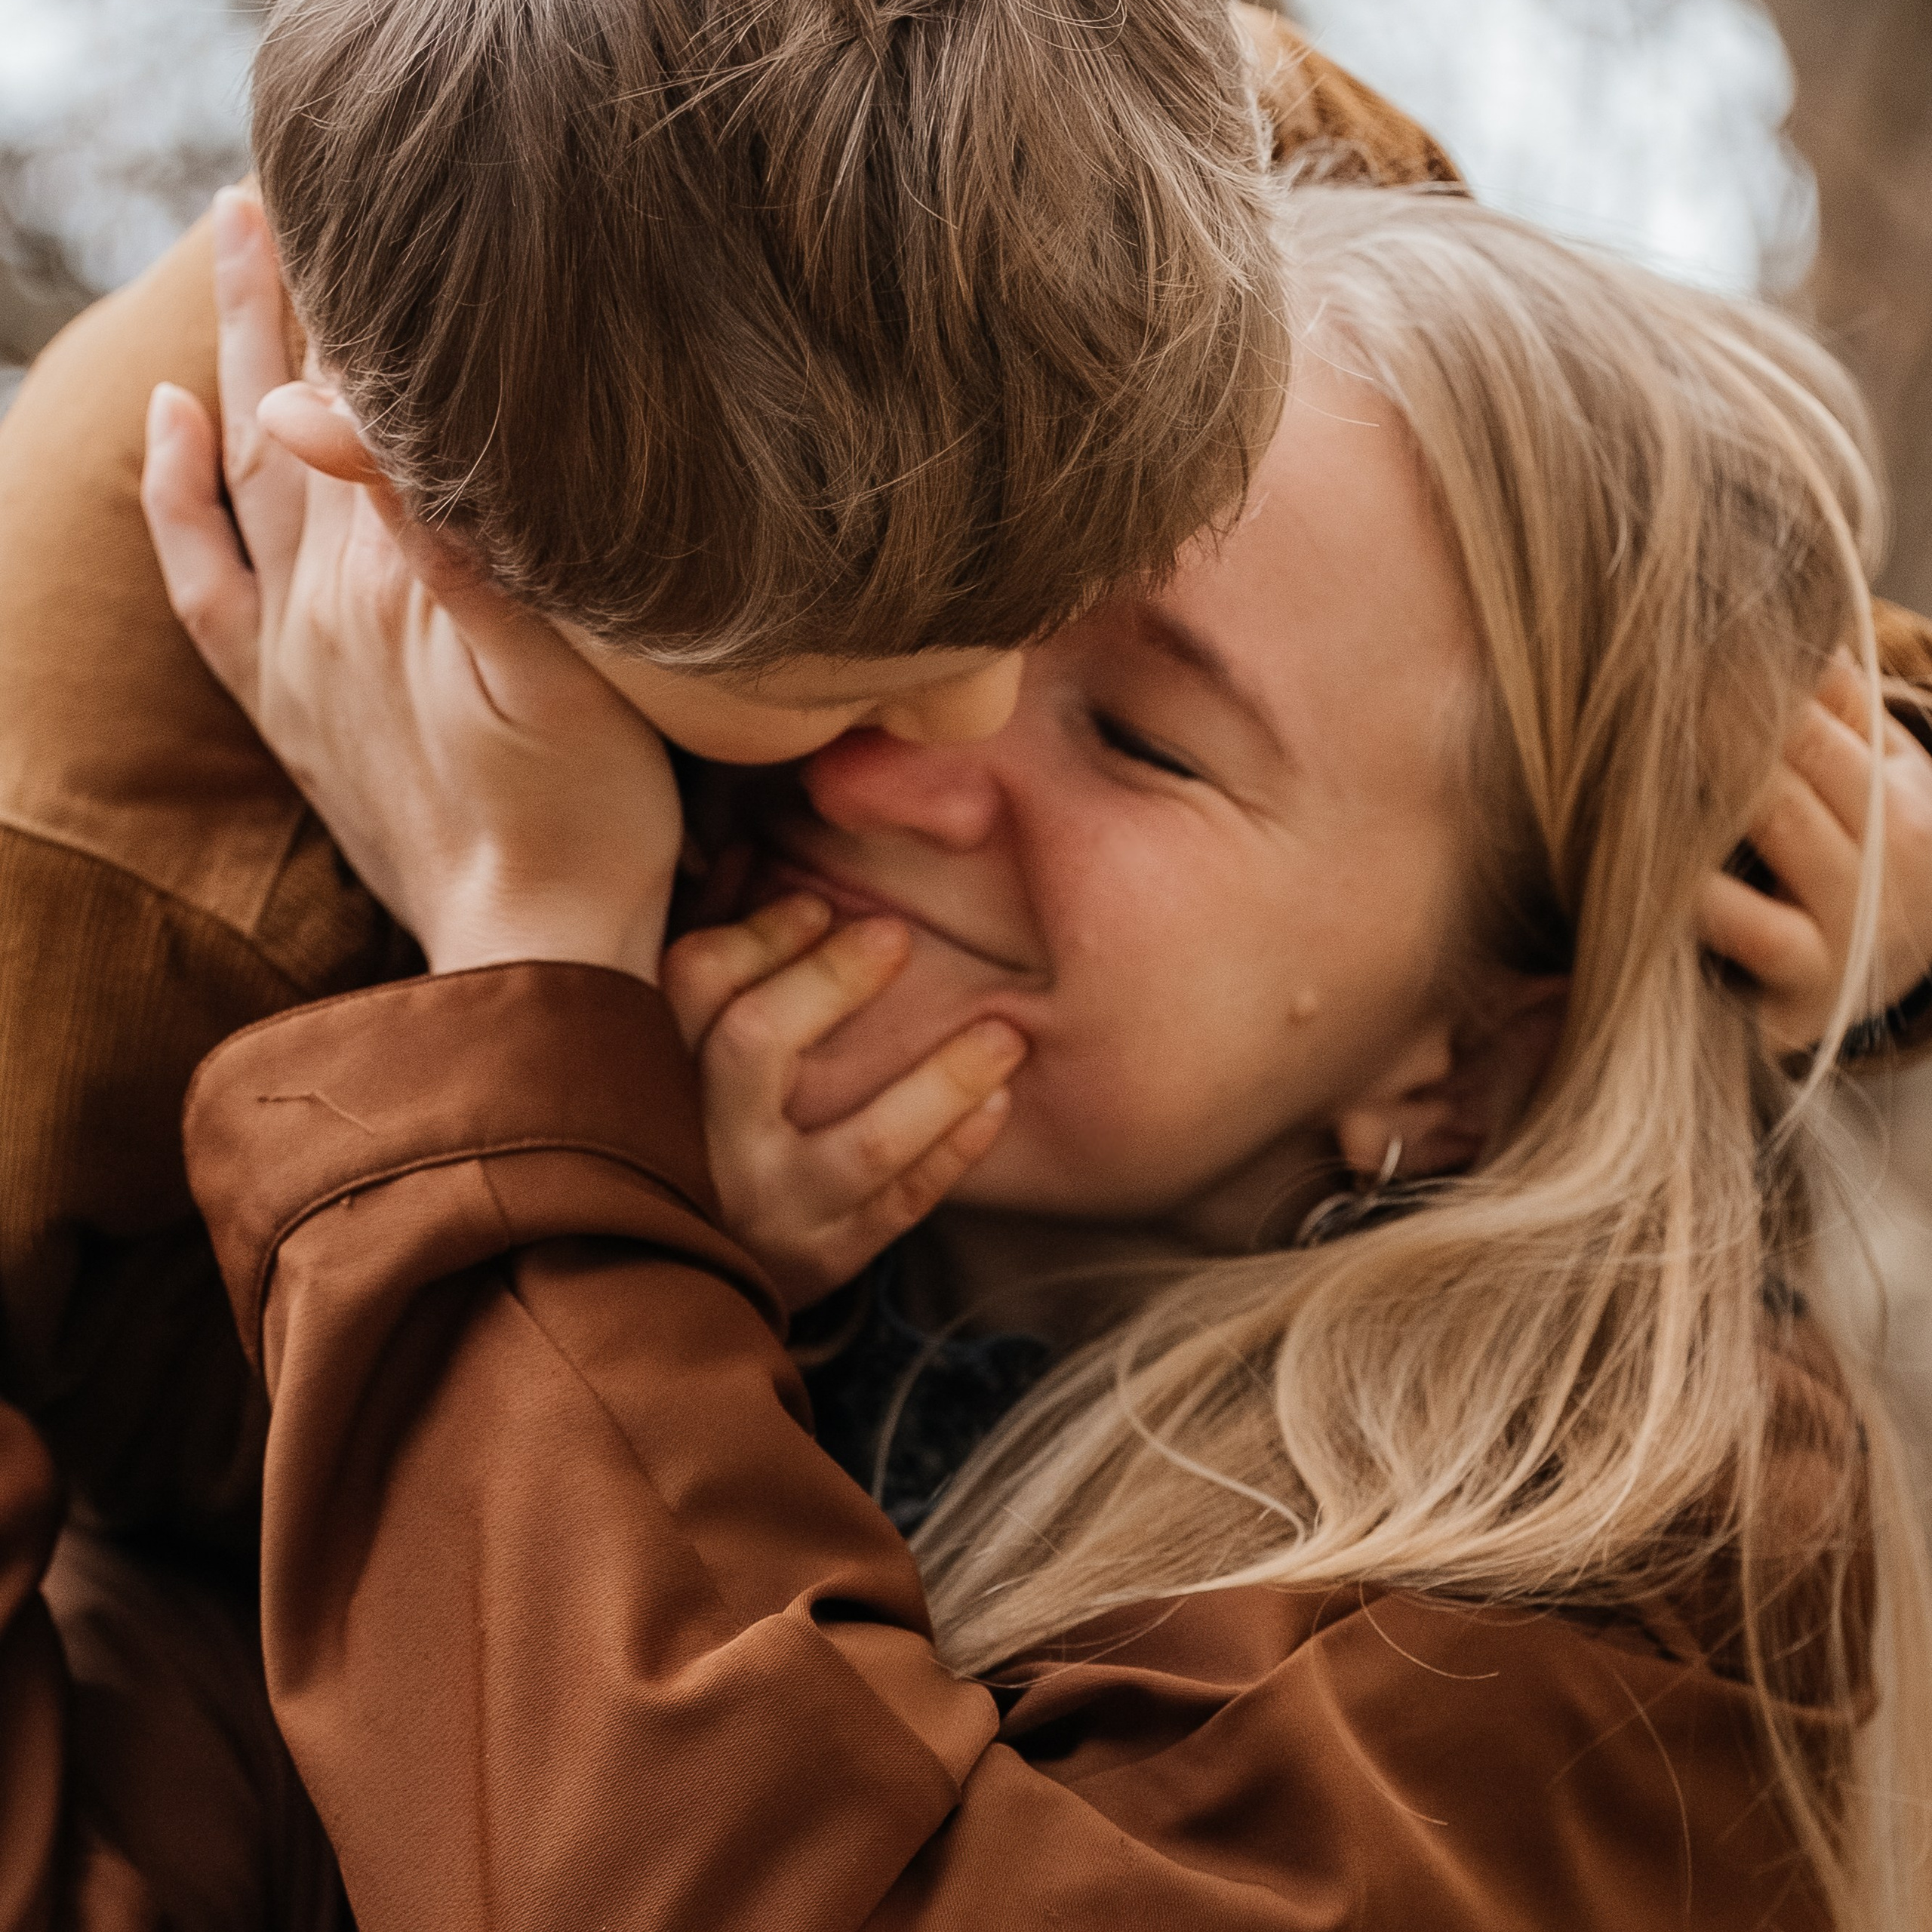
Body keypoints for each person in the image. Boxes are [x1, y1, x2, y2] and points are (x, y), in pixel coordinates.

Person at [149, 185, 1932, 1927]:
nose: (878, 761)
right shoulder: (555, 952)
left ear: (1466, 1055)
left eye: (1142, 739)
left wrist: (525, 965)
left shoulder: (1631, 1578)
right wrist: (642, 1241)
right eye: (946, 601)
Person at [0, 10, 1460, 1924]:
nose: (956, 716)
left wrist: (1799, 742)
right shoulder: (78, 902)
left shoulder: (1081, 109)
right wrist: (626, 1200)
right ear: (440, 523)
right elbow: (151, 1472)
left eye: (1081, 610)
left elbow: (1538, 423)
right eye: (853, 679)